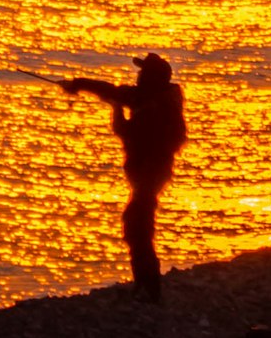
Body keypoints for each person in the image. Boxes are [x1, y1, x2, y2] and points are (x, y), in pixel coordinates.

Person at [55, 52, 187, 296]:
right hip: (148, 175)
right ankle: (146, 285)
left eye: (141, 72)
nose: (137, 75)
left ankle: (149, 288)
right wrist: (115, 106)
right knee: (138, 226)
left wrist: (78, 85)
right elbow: (124, 123)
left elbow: (116, 100)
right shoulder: (159, 99)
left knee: (138, 227)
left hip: (148, 175)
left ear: (149, 77)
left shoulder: (152, 102)